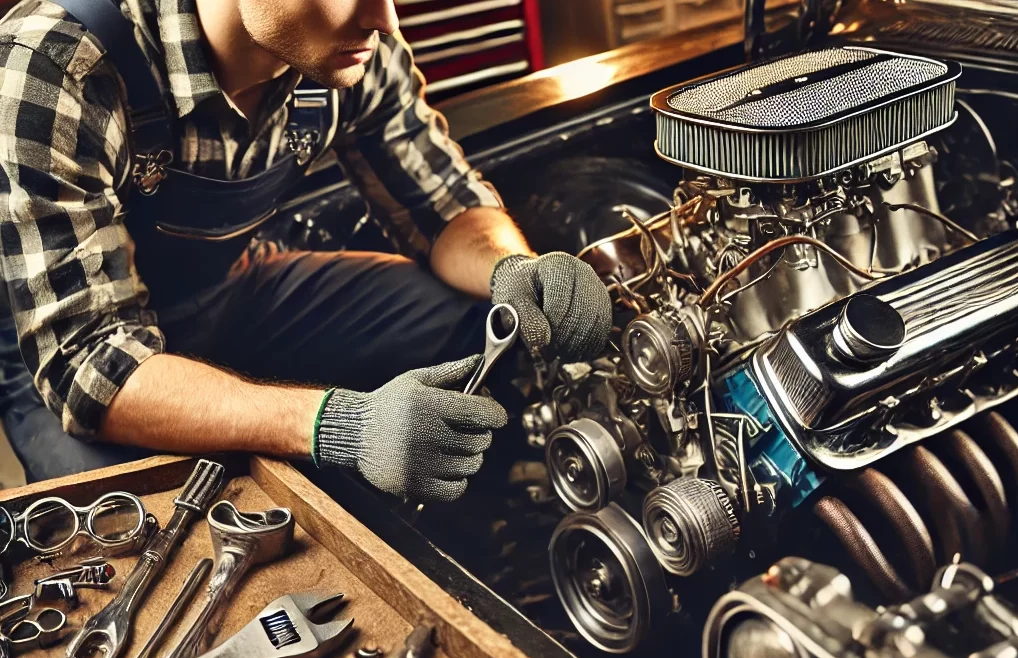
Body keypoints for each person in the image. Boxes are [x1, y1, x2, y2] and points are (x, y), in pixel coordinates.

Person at [0, 0, 613, 499]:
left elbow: (443, 205)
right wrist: (340, 426)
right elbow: (91, 368)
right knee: (137, 527)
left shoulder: (348, 47)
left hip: (231, 284)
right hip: (71, 355)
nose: (385, 19)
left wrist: (515, 271)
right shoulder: (55, 65)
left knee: (472, 321)